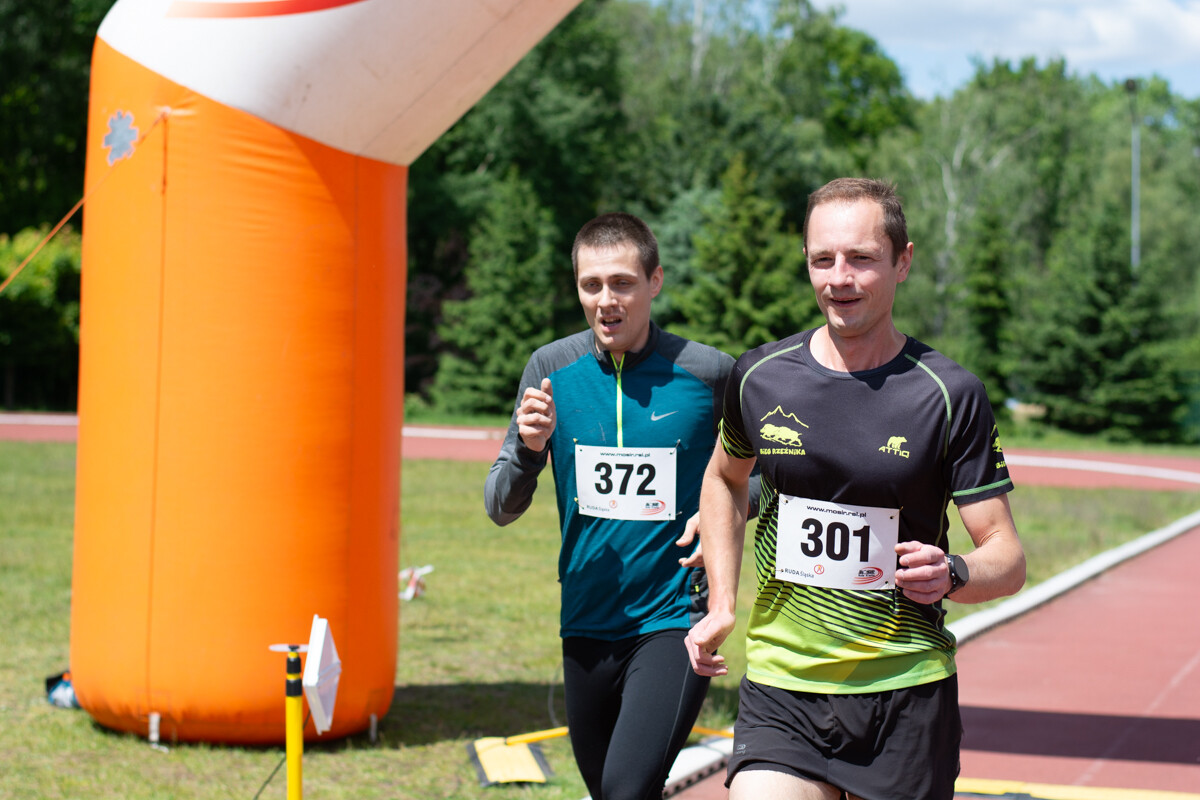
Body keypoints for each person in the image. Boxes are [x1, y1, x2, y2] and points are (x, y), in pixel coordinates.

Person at [684, 178, 1027, 800]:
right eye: (823, 259)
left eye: (861, 258)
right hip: (784, 688)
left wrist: (952, 570)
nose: (839, 278)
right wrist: (723, 603)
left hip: (904, 693)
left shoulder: (948, 394)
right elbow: (724, 480)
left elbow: (1006, 556)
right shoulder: (759, 377)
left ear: (903, 261)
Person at [485, 211, 758, 800]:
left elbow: (770, 479)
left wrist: (712, 518)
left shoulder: (709, 373)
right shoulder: (550, 368)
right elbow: (500, 505)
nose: (606, 300)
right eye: (591, 285)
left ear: (654, 281)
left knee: (627, 789)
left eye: (622, 283)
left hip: (674, 617)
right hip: (585, 620)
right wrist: (530, 451)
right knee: (612, 791)